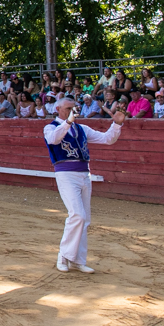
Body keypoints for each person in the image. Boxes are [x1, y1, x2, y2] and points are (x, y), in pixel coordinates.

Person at [43, 97, 126, 273]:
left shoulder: (82, 128)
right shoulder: (50, 127)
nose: (72, 111)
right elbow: (53, 140)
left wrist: (116, 125)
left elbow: (107, 139)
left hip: (84, 174)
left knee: (84, 219)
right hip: (66, 174)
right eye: (68, 108)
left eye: (74, 108)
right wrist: (67, 122)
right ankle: (64, 255)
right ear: (58, 108)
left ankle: (77, 259)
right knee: (77, 215)